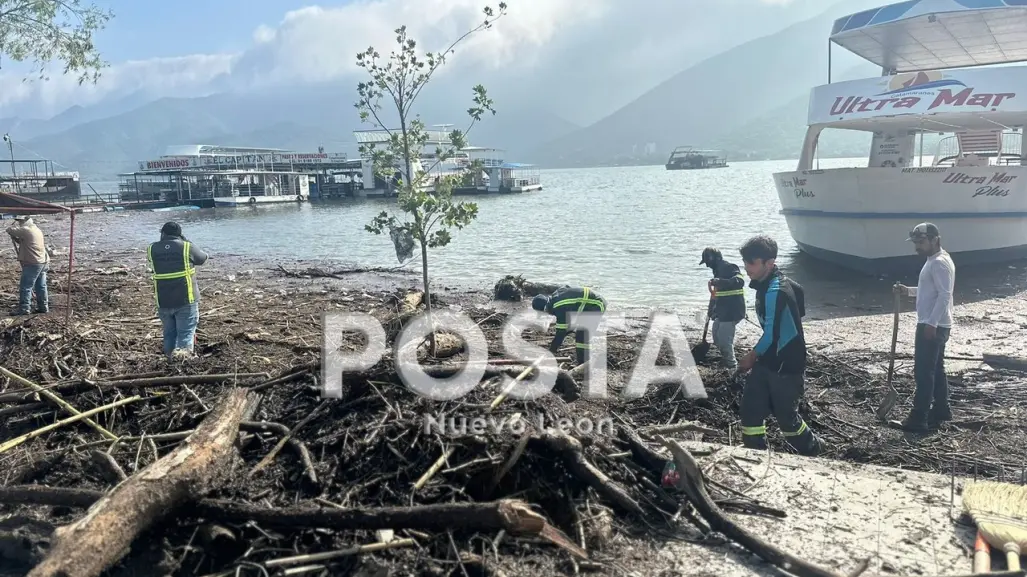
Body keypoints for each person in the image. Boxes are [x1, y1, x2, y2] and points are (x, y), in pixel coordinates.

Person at [736, 235, 822, 456]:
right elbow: (799, 297)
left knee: (787, 419)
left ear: (769, 263)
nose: (747, 268)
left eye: (752, 263)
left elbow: (772, 334)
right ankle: (756, 454)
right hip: (769, 359)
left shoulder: (776, 290)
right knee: (751, 409)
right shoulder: (775, 283)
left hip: (787, 363)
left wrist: (751, 356)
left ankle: (815, 449)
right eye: (745, 262)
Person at [893, 222, 955, 432]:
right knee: (936, 369)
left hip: (932, 324)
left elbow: (945, 294)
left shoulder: (938, 263)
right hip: (937, 323)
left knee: (923, 371)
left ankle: (918, 419)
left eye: (921, 242)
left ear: (934, 240)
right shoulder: (936, 260)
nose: (917, 246)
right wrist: (907, 291)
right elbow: (930, 290)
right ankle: (941, 410)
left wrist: (931, 323)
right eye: (916, 242)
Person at [147, 221, 208, 359]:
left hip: (163, 300)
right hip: (186, 299)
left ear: (163, 234)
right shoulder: (186, 247)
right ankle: (182, 365)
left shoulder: (151, 249)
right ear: (180, 235)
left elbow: (158, 257)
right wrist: (187, 241)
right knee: (186, 334)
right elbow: (203, 258)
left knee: (169, 333)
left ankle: (169, 360)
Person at [532, 286, 607, 365]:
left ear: (545, 308)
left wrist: (551, 351)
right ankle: (583, 363)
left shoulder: (559, 307)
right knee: (578, 332)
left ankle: (583, 364)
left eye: (544, 313)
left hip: (596, 305)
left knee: (581, 337)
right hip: (588, 306)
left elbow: (560, 333)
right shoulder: (555, 298)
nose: (548, 314)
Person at [700, 247, 746, 369]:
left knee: (725, 341)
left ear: (714, 259)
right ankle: (725, 361)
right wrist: (711, 310)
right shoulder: (717, 271)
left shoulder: (730, 267)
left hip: (732, 311)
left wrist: (720, 281)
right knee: (716, 335)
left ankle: (732, 366)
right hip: (722, 311)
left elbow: (740, 281)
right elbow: (715, 294)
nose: (707, 266)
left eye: (707, 262)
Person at [6, 215, 50, 316]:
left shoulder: (26, 230)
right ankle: (43, 307)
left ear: (26, 221)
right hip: (42, 261)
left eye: (21, 221)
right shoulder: (36, 230)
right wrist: (16, 238)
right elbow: (25, 242)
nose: (20, 223)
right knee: (41, 286)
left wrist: (10, 229)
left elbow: (10, 230)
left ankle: (24, 308)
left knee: (26, 287)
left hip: (33, 263)